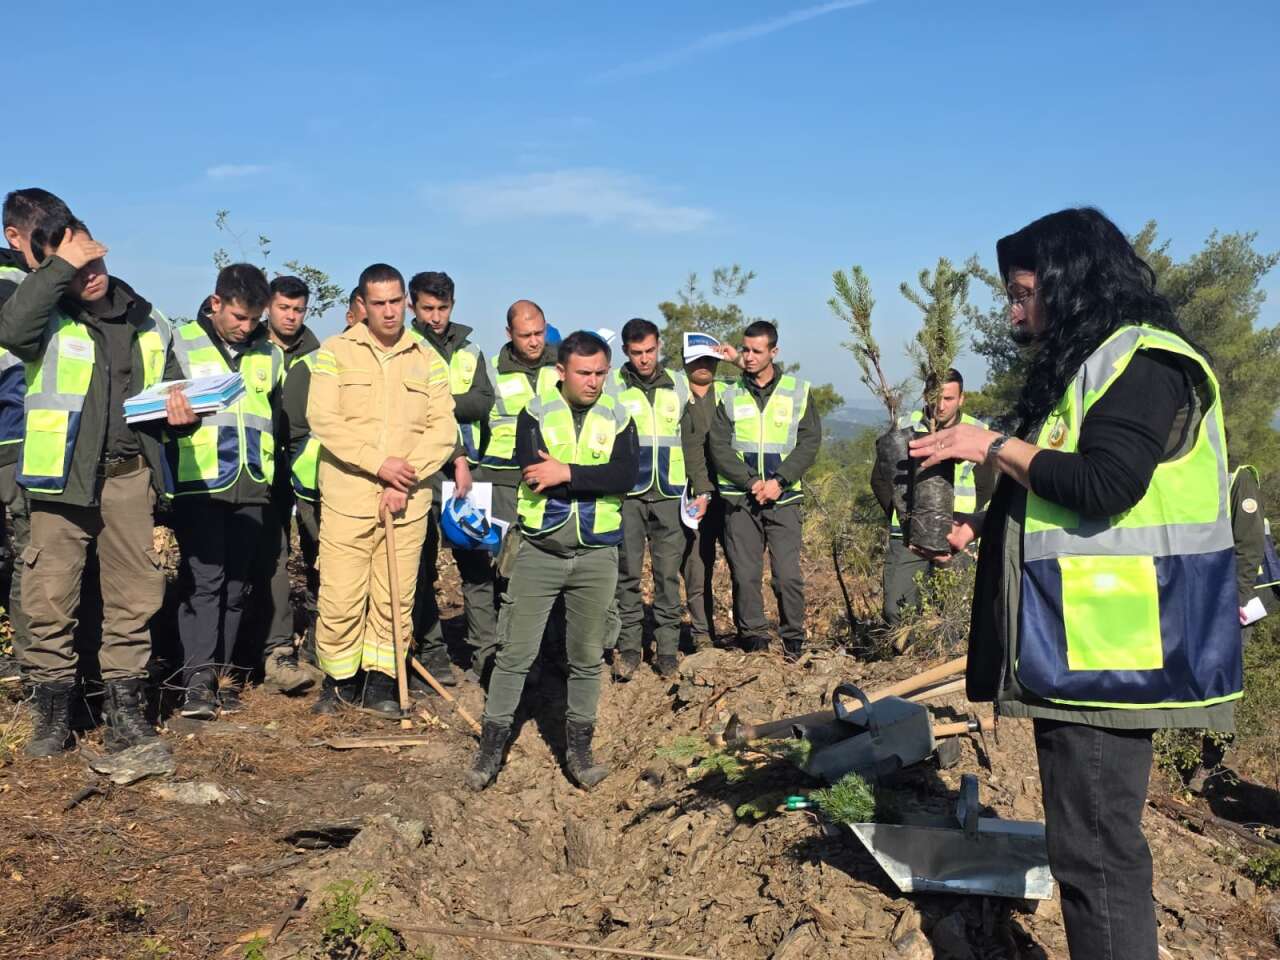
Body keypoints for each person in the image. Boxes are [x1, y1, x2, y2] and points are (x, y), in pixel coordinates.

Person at [910, 207, 1242, 960]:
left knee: (1096, 857)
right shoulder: (1091, 362)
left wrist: (990, 442)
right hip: (1081, 646)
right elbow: (1048, 489)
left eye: (1024, 291)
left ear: (1071, 282)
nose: (1014, 308)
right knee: (1087, 848)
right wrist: (974, 527)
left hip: (1108, 654)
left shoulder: (1144, 363)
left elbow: (1104, 483)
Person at [0, 215, 179, 755]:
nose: (91, 275)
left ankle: (125, 712)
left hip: (129, 479)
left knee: (134, 600)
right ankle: (52, 715)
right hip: (59, 482)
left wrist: (181, 412)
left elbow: (171, 391)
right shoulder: (46, 319)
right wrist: (59, 267)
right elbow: (11, 331)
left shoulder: (153, 321)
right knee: (49, 598)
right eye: (77, 268)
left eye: (93, 260)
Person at [467, 331, 638, 791]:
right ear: (561, 371)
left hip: (597, 553)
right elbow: (531, 472)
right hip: (540, 550)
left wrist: (566, 471)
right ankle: (489, 751)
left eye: (602, 372)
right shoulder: (535, 412)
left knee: (586, 658)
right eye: (585, 373)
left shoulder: (618, 415)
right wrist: (589, 479)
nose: (594, 381)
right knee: (514, 655)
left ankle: (579, 752)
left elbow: (625, 474)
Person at [307, 264, 455, 717]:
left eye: (395, 302)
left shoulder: (428, 359)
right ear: (362, 305)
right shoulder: (335, 352)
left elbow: (443, 428)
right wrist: (379, 465)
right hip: (350, 498)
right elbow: (324, 420)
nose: (389, 312)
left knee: (394, 597)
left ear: (405, 304)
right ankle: (339, 682)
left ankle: (381, 682)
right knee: (341, 594)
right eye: (379, 303)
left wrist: (403, 477)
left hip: (406, 501)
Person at [167, 264, 284, 719]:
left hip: (252, 485)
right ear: (215, 303)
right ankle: (195, 683)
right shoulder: (182, 344)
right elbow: (154, 413)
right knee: (204, 584)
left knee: (237, 587)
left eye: (254, 319)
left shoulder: (267, 355)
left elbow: (274, 419)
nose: (246, 326)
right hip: (200, 484)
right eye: (238, 316)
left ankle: (224, 678)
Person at [707, 320, 821, 658]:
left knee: (787, 576)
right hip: (740, 500)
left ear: (774, 352)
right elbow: (719, 446)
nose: (750, 356)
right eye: (745, 350)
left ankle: (793, 640)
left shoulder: (798, 392)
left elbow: (809, 442)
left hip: (783, 499)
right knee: (745, 575)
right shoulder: (729, 393)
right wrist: (752, 482)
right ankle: (754, 639)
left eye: (757, 351)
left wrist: (778, 481)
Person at [0, 189, 75, 679]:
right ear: (14, 236)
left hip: (33, 439)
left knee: (32, 553)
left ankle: (29, 664)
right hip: (11, 438)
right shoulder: (16, 283)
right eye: (43, 242)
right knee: (29, 554)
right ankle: (29, 662)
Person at [406, 271, 493, 689]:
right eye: (427, 308)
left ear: (452, 306)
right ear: (412, 307)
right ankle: (432, 650)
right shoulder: (404, 349)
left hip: (468, 470)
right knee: (420, 566)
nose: (435, 317)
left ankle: (485, 652)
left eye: (442, 308)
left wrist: (437, 401)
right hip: (420, 470)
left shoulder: (471, 349)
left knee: (476, 562)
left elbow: (481, 402)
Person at [467, 299, 559, 683]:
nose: (535, 341)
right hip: (500, 483)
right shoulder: (488, 369)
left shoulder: (562, 366)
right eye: (526, 335)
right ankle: (490, 657)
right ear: (509, 335)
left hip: (551, 486)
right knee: (492, 571)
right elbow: (472, 424)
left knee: (546, 571)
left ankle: (547, 654)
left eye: (539, 332)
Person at [871, 370, 993, 624]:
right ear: (925, 395)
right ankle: (910, 659)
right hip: (907, 536)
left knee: (954, 614)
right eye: (935, 397)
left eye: (949, 398)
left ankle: (940, 660)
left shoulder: (977, 432)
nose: (940, 405)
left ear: (961, 399)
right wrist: (905, 517)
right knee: (898, 611)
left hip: (958, 537)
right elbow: (881, 479)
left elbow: (985, 488)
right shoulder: (905, 427)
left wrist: (967, 526)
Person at [607, 318, 689, 680]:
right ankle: (629, 648)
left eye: (650, 351)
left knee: (667, 576)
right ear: (626, 351)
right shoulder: (612, 385)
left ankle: (667, 650)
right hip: (628, 495)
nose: (644, 359)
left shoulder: (679, 385)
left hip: (670, 492)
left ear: (659, 347)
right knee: (627, 575)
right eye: (637, 352)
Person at [259, 275, 322, 694]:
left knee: (322, 553)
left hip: (309, 471)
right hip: (261, 469)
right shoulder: (252, 350)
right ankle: (277, 648)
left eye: (298, 310)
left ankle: (322, 644)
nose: (291, 316)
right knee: (273, 558)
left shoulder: (319, 355)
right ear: (268, 306)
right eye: (284, 308)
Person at [678, 335, 736, 650]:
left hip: (730, 495)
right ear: (685, 361)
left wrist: (738, 358)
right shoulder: (672, 394)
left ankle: (748, 634)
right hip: (692, 496)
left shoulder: (729, 393)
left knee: (742, 565)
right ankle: (702, 636)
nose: (704, 365)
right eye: (697, 359)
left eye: (709, 359)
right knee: (698, 568)